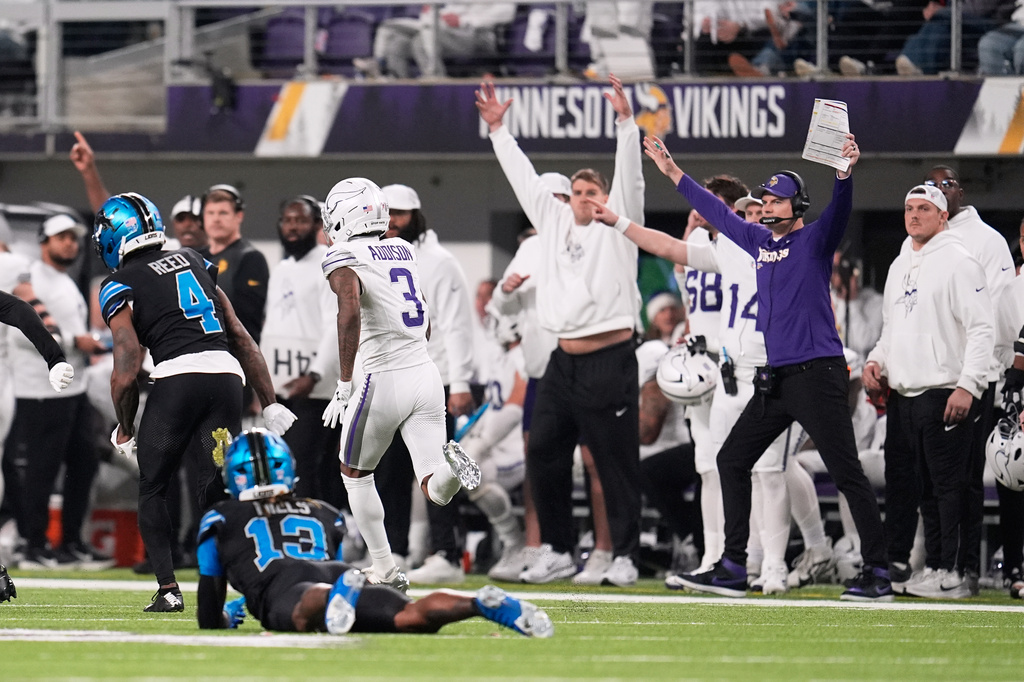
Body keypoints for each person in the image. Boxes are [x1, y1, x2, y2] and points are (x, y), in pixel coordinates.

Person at [638, 132, 892, 602]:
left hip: (818, 374)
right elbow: (715, 211)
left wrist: (843, 174)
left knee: (846, 473)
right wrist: (673, 172)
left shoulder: (815, 240)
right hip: (776, 379)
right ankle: (735, 566)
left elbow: (840, 209)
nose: (769, 205)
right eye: (766, 200)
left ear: (798, 206)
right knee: (731, 460)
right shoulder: (757, 242)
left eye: (777, 200)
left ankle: (877, 571)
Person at [476, 74, 645, 585]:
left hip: (609, 359)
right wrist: (499, 131)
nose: (584, 198)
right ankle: (557, 549)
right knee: (543, 453)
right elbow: (524, 179)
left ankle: (624, 554)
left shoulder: (620, 228)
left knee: (614, 463)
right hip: (561, 363)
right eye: (577, 191)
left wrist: (626, 124)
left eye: (593, 191)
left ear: (606, 197)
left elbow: (631, 178)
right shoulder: (551, 226)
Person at [96, 192, 296, 612]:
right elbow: (240, 336)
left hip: (178, 380)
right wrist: (270, 402)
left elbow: (126, 366)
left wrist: (125, 427)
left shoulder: (118, 282)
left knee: (154, 485)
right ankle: (231, 585)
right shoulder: (194, 259)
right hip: (226, 379)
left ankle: (169, 589)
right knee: (216, 487)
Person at [196, 428, 552, 637]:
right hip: (338, 574)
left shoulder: (220, 517)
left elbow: (209, 615)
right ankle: (479, 604)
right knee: (410, 617)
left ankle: (337, 592)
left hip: (294, 585)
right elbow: (321, 563)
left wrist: (225, 616)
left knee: (303, 615)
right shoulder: (322, 511)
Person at [318, 177, 481, 592]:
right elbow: (424, 321)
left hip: (382, 378)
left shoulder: (342, 255)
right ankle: (451, 472)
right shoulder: (404, 249)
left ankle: (386, 569)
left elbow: (349, 312)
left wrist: (344, 382)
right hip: (426, 373)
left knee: (355, 474)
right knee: (433, 485)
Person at [864, 184, 993, 599]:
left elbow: (982, 329)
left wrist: (968, 386)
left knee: (949, 489)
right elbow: (892, 327)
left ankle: (953, 571)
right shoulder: (900, 261)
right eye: (909, 208)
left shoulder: (961, 262)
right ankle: (929, 565)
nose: (914, 215)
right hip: (904, 394)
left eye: (924, 208)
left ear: (942, 216)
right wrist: (876, 361)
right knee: (917, 489)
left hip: (944, 390)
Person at [378, 182, 478, 585]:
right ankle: (395, 550)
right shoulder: (376, 256)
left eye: (400, 213)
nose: (393, 221)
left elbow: (456, 324)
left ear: (416, 215)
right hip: (392, 378)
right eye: (387, 213)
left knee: (436, 469)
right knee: (389, 472)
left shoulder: (440, 261)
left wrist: (461, 381)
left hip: (433, 379)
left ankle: (447, 554)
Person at [922, 164, 1014, 594]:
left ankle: (965, 569)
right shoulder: (920, 242)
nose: (940, 190)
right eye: (932, 185)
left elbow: (995, 317)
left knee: (965, 478)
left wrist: (975, 376)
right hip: (929, 377)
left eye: (947, 184)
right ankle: (936, 563)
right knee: (930, 477)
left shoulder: (987, 241)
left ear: (960, 191)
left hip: (974, 377)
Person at [5, 214, 108, 570]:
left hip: (74, 387)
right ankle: (34, 544)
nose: (69, 243)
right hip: (40, 389)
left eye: (73, 237)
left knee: (84, 463)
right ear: (43, 241)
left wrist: (82, 342)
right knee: (41, 469)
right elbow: (19, 331)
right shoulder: (28, 277)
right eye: (61, 237)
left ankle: (71, 543)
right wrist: (74, 342)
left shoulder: (64, 280)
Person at [260, 196, 344, 509]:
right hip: (280, 388)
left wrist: (314, 375)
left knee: (304, 463)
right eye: (288, 220)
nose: (293, 227)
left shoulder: (329, 263)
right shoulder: (281, 268)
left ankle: (318, 527)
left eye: (301, 220)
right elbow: (270, 327)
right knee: (282, 463)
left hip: (316, 390)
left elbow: (336, 325)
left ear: (317, 225)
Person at [355, 3, 516, 79]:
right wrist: (435, 11)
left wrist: (464, 21)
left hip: (478, 37)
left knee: (422, 39)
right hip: (445, 31)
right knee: (397, 42)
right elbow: (452, 9)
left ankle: (436, 77)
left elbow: (507, 12)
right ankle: (397, 81)